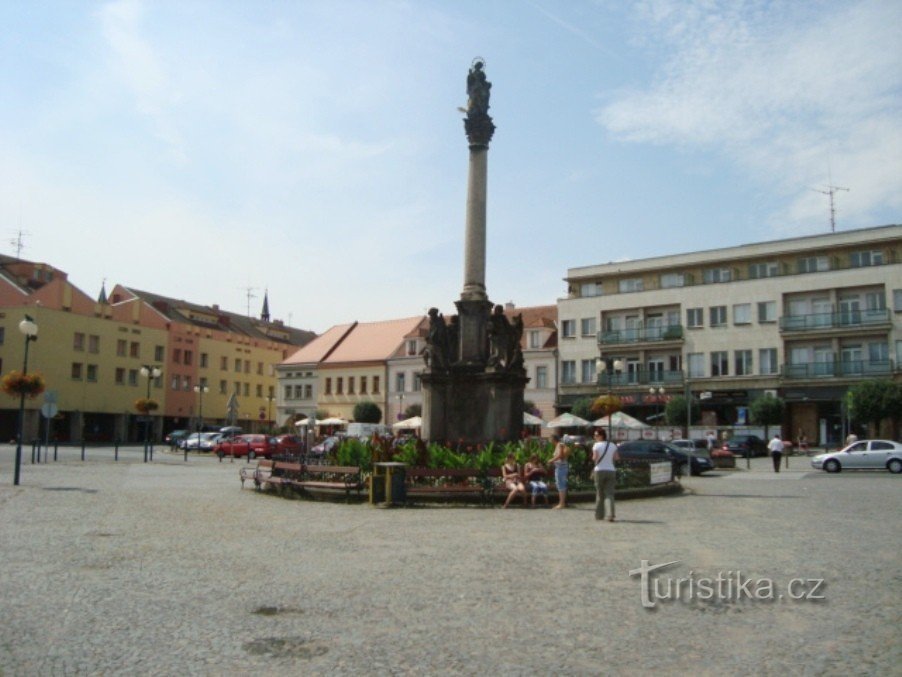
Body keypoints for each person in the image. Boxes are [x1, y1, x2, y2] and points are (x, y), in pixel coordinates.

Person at [592, 428, 620, 522]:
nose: (594, 437)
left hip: (599, 470)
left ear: (601, 436)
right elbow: (616, 458)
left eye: (596, 435)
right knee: (609, 494)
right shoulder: (612, 445)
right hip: (611, 470)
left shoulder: (596, 445)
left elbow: (594, 458)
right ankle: (610, 514)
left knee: (600, 494)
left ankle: (599, 515)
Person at [548, 435, 570, 509]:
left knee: (561, 485)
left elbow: (560, 455)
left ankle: (561, 503)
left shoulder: (560, 445)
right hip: (560, 467)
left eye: (550, 439)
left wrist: (552, 460)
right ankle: (562, 502)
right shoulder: (559, 445)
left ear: (554, 439)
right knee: (560, 484)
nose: (550, 440)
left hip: (561, 468)